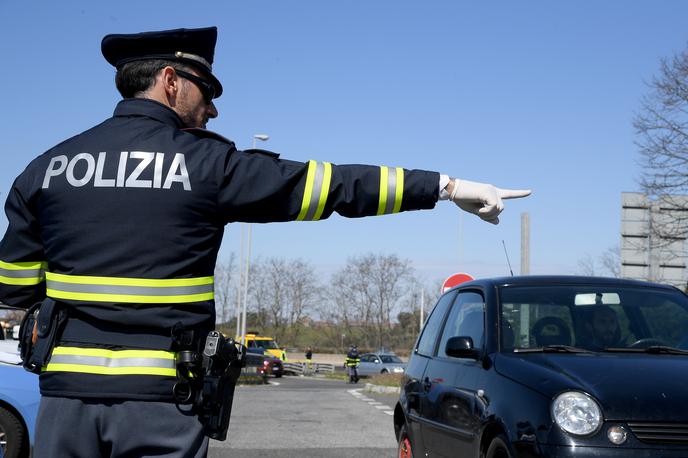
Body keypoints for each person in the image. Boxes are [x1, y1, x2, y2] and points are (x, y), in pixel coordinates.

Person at [0, 26, 530, 457]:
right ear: (169, 81)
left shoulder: (46, 168)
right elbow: (335, 186)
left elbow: (15, 288)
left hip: (64, 404)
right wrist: (446, 187)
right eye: (206, 90)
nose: (212, 109)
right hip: (160, 406)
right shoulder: (206, 164)